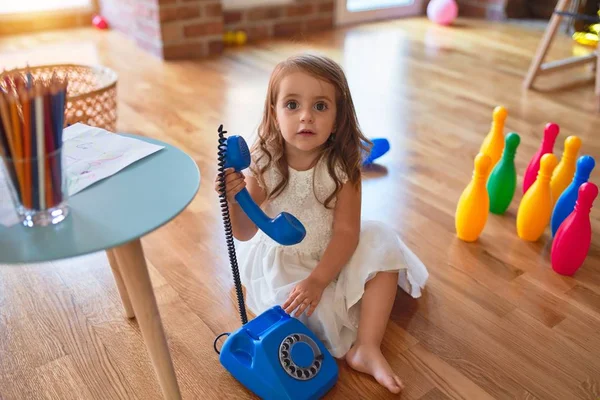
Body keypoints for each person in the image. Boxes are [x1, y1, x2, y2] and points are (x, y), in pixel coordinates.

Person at [214, 53, 429, 394]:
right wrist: (233, 198)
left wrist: (319, 280)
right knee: (301, 317)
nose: (305, 117)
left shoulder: (343, 165)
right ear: (274, 111)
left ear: (338, 115)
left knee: (383, 243)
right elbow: (243, 231)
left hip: (333, 251)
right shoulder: (265, 161)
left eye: (320, 106)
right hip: (287, 262)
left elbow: (347, 232)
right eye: (292, 104)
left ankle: (367, 347)